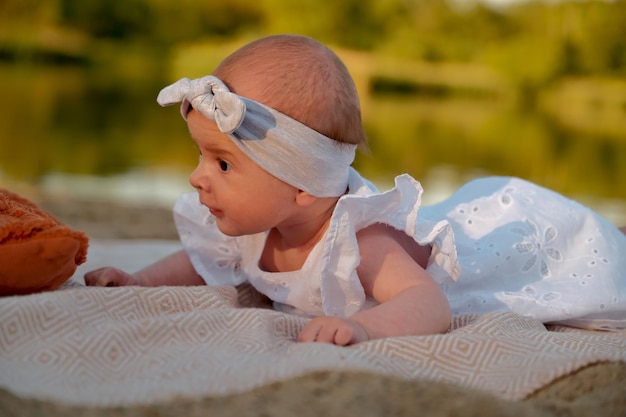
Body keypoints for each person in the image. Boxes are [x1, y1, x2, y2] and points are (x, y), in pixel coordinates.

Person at [85, 34, 626, 344]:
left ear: (302, 188)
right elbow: (198, 260)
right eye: (201, 156)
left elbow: (428, 303)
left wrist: (364, 328)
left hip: (522, 234)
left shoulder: (361, 243)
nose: (197, 177)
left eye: (222, 164)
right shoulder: (256, 226)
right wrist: (138, 280)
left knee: (601, 257)